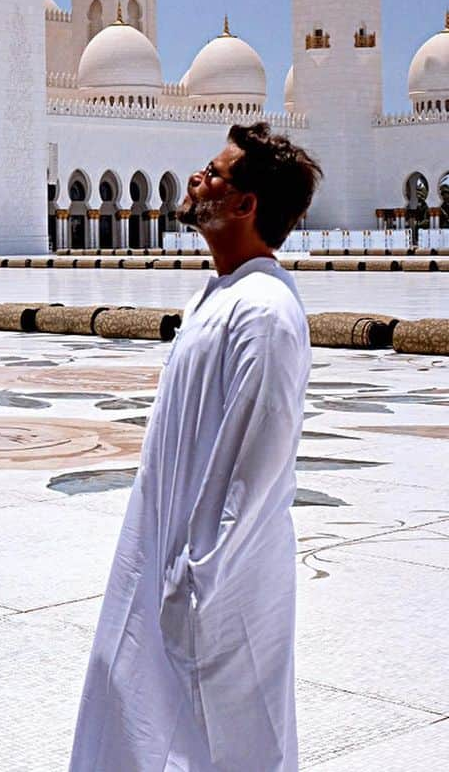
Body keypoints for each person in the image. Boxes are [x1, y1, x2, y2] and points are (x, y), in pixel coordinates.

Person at [69, 122, 322, 772]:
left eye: (215, 173)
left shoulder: (264, 314)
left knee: (230, 745)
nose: (196, 180)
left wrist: (200, 585)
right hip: (170, 568)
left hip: (218, 589)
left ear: (245, 204)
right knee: (141, 719)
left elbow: (255, 471)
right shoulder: (221, 297)